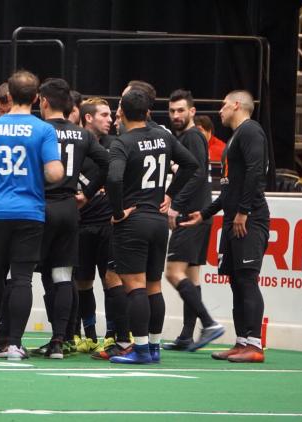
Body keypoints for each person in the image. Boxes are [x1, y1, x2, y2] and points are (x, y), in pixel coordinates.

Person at [0, 70, 64, 361]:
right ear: (36, 98)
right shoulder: (43, 130)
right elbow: (55, 172)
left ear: (6, 98)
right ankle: (15, 345)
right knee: (21, 279)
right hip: (29, 213)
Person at [106, 89, 199, 365]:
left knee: (134, 286)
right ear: (148, 112)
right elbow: (191, 164)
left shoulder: (122, 143)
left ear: (121, 111)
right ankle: (154, 348)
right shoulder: (164, 136)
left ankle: (142, 349)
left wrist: (117, 211)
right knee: (153, 286)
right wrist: (170, 194)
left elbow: (113, 179)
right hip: (159, 221)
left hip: (133, 221)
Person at [181, 90, 270, 363]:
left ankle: (254, 344)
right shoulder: (236, 137)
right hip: (234, 218)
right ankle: (242, 340)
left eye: (223, 105)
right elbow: (228, 190)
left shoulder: (251, 132)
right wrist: (204, 214)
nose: (220, 111)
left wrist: (244, 211)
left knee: (246, 278)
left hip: (250, 218)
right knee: (235, 281)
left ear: (236, 105)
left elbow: (256, 172)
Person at [35, 79, 109, 359]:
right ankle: (61, 340)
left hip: (40, 207)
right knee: (64, 275)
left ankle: (12, 338)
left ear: (44, 101)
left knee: (37, 275)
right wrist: (87, 194)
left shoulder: (39, 130)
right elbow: (107, 164)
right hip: (69, 207)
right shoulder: (82, 135)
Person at [163, 89, 225, 352]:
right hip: (198, 212)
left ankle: (210, 323)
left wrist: (175, 205)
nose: (176, 115)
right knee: (192, 275)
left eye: (181, 110)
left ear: (192, 112)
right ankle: (187, 335)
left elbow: (198, 175)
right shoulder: (190, 138)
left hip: (191, 214)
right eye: (172, 111)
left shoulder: (192, 136)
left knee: (172, 273)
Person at [71, 97, 114, 355]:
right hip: (81, 225)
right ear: (88, 118)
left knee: (112, 282)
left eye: (111, 115)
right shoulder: (75, 145)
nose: (110, 120)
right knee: (82, 283)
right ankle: (88, 335)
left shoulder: (114, 145)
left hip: (108, 225)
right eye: (104, 115)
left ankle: (113, 334)